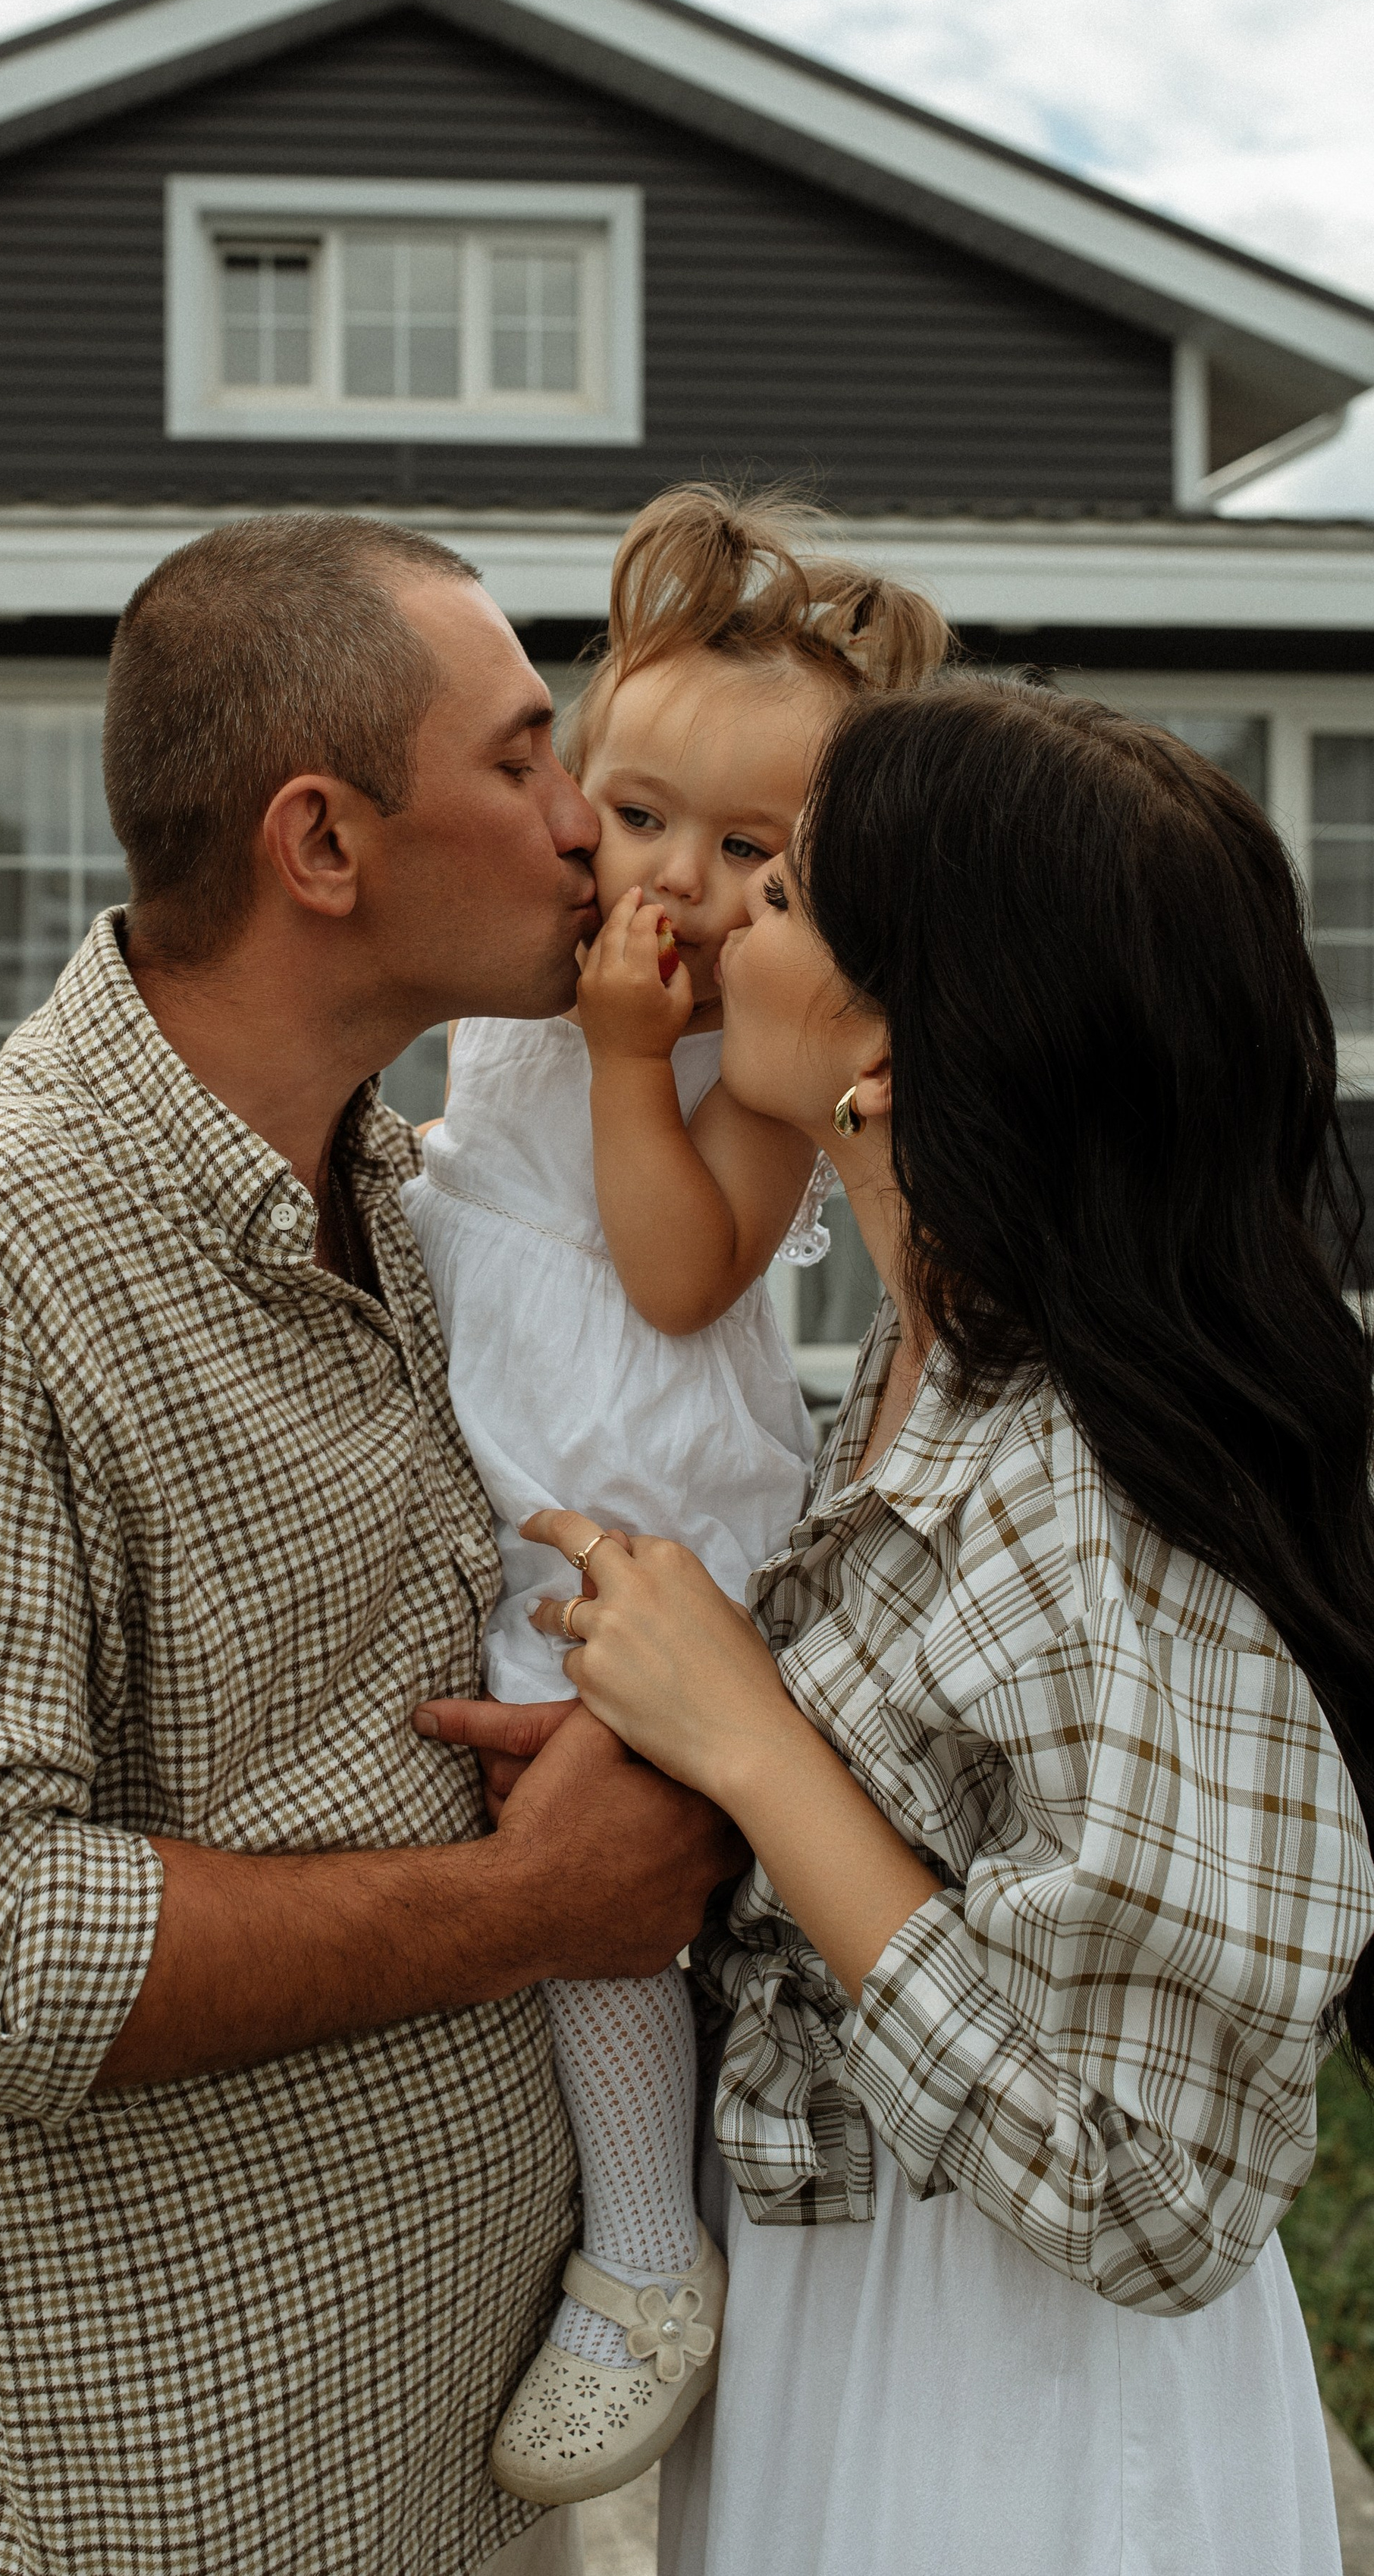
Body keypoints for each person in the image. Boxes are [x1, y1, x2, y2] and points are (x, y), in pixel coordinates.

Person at [0, 513, 736, 2576]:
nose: (585, 835)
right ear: (323, 843)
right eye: (528, 763)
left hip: (465, 2453)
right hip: (171, 2493)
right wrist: (515, 1907)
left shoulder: (414, 1192)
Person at [425, 675, 1374, 2575]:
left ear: (900, 1040)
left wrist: (759, 1752)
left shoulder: (1108, 1485)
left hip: (1022, 2424)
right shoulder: (916, 1357)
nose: (703, 914)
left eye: (776, 892)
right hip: (848, 2331)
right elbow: (946, 1833)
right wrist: (690, 1777)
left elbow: (1148, 2194)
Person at [400, 488, 952, 2505]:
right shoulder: (526, 966)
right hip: (517, 1443)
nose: (675, 888)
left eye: (749, 858)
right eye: (635, 820)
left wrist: (639, 1061)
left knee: (584, 1855)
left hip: (637, 1498)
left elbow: (676, 1270)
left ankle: (646, 2250)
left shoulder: (758, 1083)